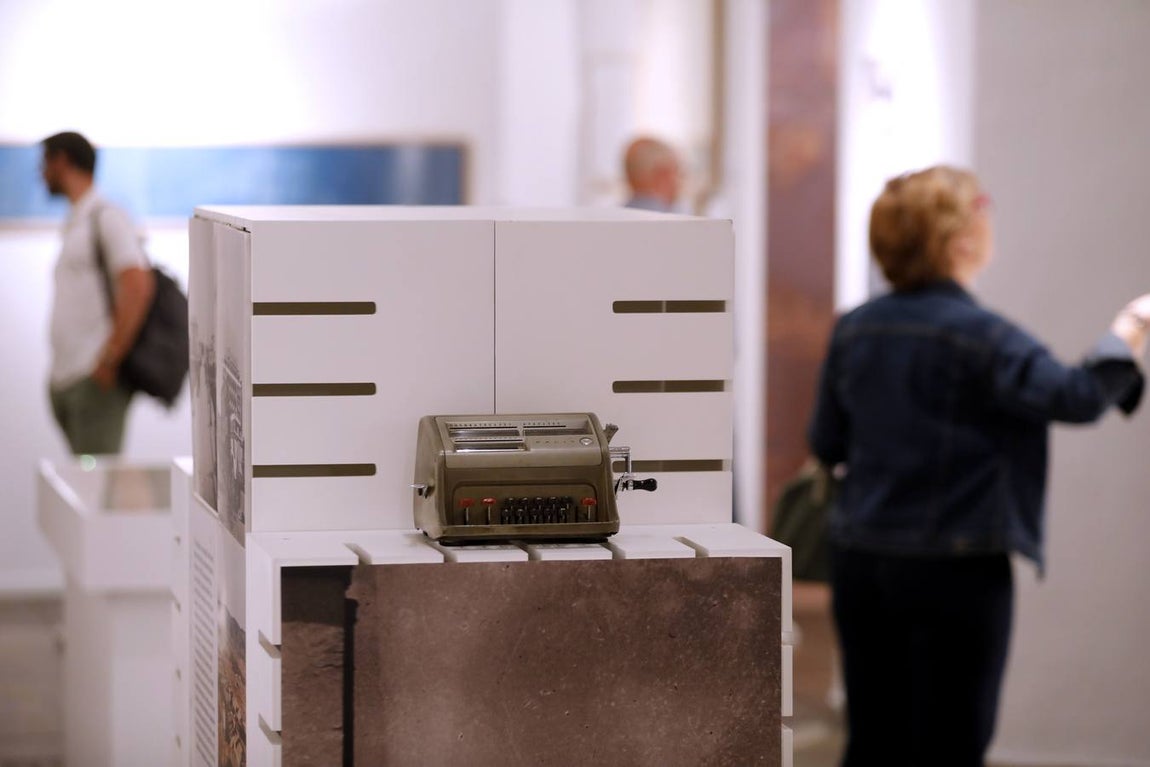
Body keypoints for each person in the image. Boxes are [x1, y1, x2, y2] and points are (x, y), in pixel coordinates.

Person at [808, 165, 1148, 767]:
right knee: (951, 745)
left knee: (875, 738)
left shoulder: (855, 329)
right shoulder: (983, 335)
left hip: (864, 560)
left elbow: (827, 443)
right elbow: (1075, 397)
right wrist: (1132, 328)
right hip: (956, 569)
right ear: (960, 240)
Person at [41, 131, 155, 455]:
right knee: (84, 476)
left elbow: (138, 284)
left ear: (62, 161)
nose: (41, 173)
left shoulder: (106, 217)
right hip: (70, 376)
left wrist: (108, 359)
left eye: (44, 163)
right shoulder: (78, 220)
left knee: (97, 480)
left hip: (93, 379)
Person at [622, 136, 684, 213]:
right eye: (676, 171)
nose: (679, 181)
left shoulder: (619, 213)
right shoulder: (673, 217)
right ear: (663, 174)